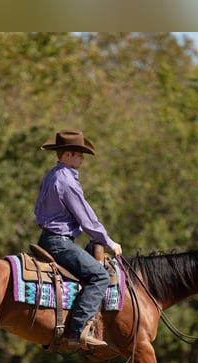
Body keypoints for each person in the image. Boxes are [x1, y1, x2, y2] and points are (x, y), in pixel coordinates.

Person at [35, 129, 123, 350]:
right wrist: (109, 241)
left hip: (46, 239)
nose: (82, 158)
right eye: (79, 153)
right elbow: (86, 220)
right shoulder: (67, 181)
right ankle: (76, 331)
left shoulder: (50, 176)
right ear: (67, 155)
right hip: (60, 243)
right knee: (100, 276)